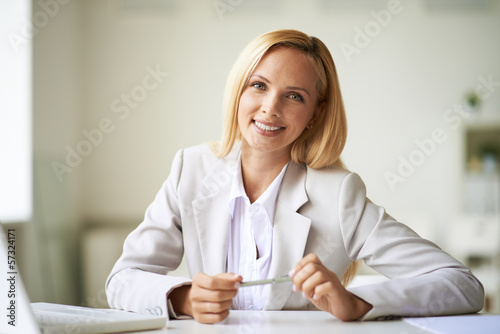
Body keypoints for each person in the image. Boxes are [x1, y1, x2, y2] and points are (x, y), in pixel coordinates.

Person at [105, 29, 484, 324]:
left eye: (295, 96)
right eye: (259, 85)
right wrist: (182, 298)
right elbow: (122, 281)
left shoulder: (337, 194)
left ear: (316, 114)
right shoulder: (191, 169)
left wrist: (357, 303)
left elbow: (463, 285)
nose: (270, 109)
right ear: (239, 91)